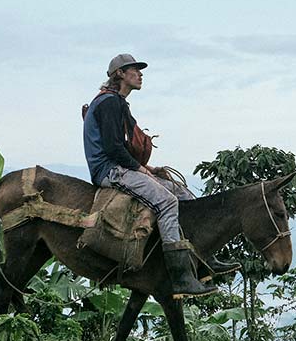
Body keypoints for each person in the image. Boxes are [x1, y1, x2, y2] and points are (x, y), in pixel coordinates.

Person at [83, 54, 231, 297]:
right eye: (135, 70)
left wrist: (147, 169)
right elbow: (112, 148)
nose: (140, 74)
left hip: (120, 166)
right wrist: (141, 169)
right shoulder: (109, 103)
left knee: (181, 192)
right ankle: (181, 277)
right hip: (109, 170)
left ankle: (204, 257)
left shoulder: (117, 102)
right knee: (167, 201)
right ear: (120, 74)